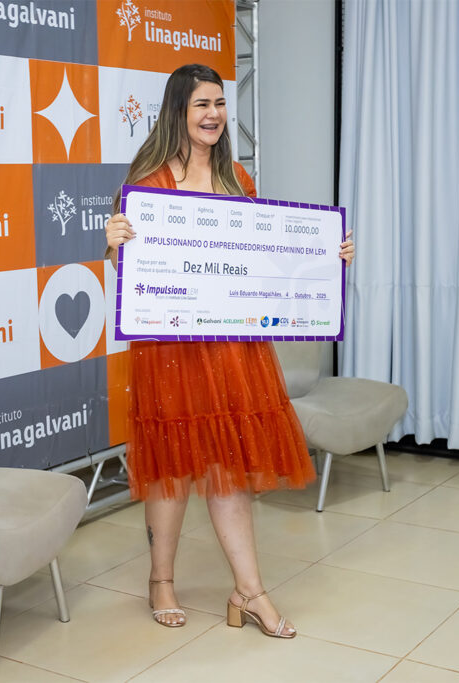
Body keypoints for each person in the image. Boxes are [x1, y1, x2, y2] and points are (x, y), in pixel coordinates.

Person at [105, 63, 356, 638]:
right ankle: (160, 581)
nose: (214, 114)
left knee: (227, 468)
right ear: (178, 111)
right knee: (171, 468)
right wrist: (115, 247)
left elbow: (267, 259)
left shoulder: (238, 178)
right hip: (170, 350)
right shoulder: (149, 181)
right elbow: (133, 275)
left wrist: (326, 257)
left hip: (233, 350)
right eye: (202, 104)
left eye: (219, 103)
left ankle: (249, 590)